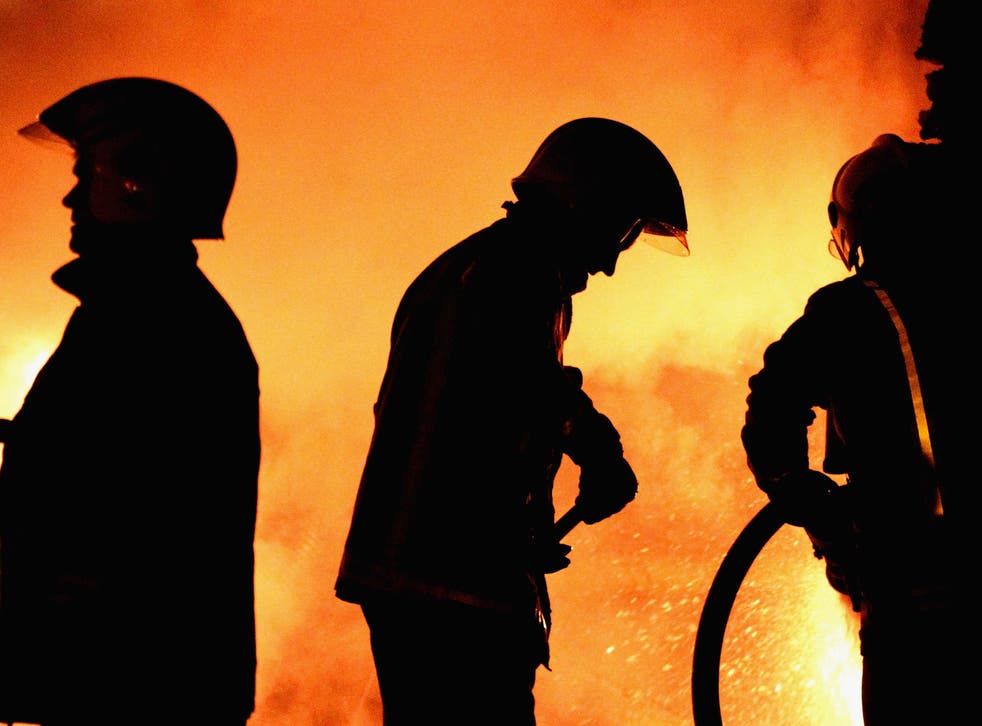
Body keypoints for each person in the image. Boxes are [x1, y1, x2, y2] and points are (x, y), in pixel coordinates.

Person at [335, 117, 689, 725]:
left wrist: (519, 531)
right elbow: (531, 385)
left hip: (417, 570)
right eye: (620, 232)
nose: (610, 263)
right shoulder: (519, 273)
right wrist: (597, 448)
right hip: (453, 585)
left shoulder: (476, 265)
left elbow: (480, 417)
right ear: (585, 204)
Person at [0, 77, 260, 726]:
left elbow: (114, 506)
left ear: (139, 185)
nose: (70, 196)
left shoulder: (147, 319)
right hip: (130, 675)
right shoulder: (146, 309)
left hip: (124, 679)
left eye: (85, 173)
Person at [740, 133, 968, 724]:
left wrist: (806, 499)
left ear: (854, 227)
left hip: (911, 604)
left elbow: (774, 402)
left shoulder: (847, 311)